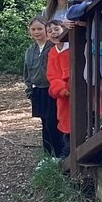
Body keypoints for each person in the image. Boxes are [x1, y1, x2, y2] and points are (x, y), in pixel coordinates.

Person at [23, 15, 66, 158]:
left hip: (51, 89)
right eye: (33, 29)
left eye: (40, 29)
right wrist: (29, 90)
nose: (37, 32)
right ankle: (47, 155)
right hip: (37, 90)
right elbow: (27, 72)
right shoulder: (30, 50)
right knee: (44, 124)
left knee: (52, 123)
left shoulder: (53, 47)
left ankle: (60, 155)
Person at [45, 20, 71, 159]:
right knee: (66, 127)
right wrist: (61, 89)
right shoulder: (52, 52)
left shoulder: (73, 46)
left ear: (63, 30)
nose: (54, 33)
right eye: (50, 31)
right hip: (64, 97)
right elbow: (52, 75)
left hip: (78, 91)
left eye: (56, 29)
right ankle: (65, 159)